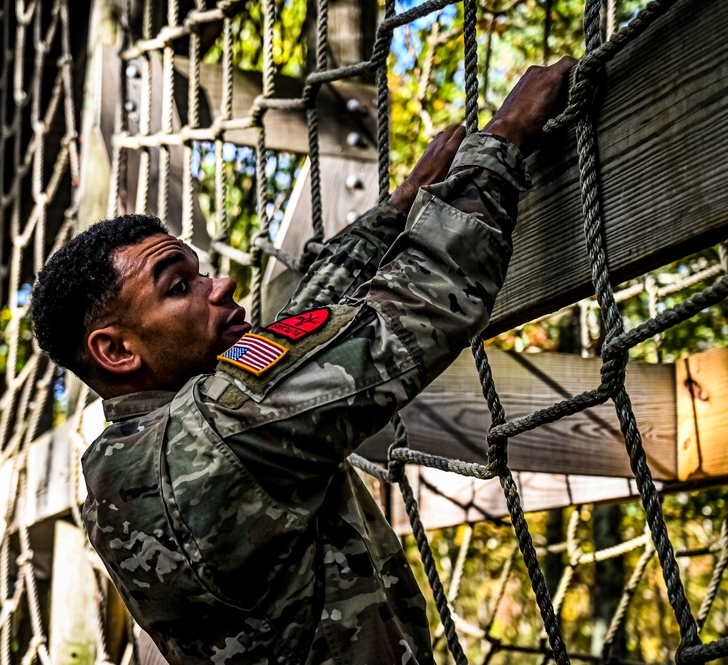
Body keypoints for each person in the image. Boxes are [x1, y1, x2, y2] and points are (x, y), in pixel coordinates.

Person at [31, 56, 577, 665]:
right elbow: (415, 311)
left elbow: (298, 340)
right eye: (178, 286)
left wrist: (395, 211)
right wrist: (502, 140)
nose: (223, 284)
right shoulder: (210, 438)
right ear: (117, 350)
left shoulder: (130, 455)